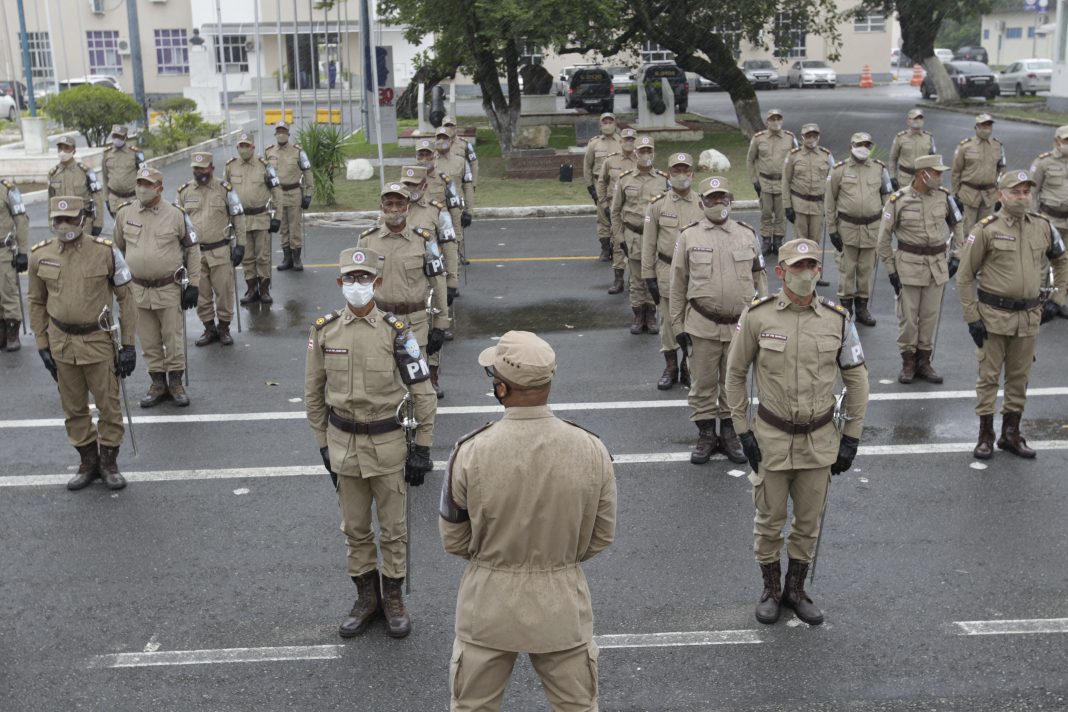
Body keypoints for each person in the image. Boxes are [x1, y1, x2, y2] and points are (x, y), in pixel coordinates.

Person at [440, 330, 616, 712]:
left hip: (487, 606)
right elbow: (601, 535)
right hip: (561, 605)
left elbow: (453, 540)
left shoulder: (469, 452)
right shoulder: (591, 448)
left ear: (502, 389)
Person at [725, 238, 870, 627]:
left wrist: (852, 436)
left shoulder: (837, 319)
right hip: (770, 437)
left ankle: (796, 588)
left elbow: (857, 380)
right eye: (797, 266)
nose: (805, 273)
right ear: (780, 272)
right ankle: (771, 589)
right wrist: (743, 431)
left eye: (811, 266)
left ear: (819, 271)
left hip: (819, 440)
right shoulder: (758, 316)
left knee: (808, 523)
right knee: (769, 521)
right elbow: (735, 375)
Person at [304, 247, 436, 639]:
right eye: (350, 278)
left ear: (376, 283)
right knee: (355, 528)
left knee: (394, 529)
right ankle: (367, 598)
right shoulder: (324, 330)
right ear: (340, 282)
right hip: (343, 443)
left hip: (388, 444)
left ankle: (393, 597)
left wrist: (423, 446)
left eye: (364, 278)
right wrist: (323, 445)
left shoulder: (397, 332)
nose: (357, 285)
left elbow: (422, 391)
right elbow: (313, 393)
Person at [956, 170, 1068, 460]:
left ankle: (1011, 434)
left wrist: (1057, 299)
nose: (1022, 197)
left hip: (1029, 317)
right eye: (1015, 192)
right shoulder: (985, 229)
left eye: (1026, 192)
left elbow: (1061, 259)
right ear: (1001, 195)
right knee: (988, 378)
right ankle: (985, 435)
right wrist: (972, 318)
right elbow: (965, 276)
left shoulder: (1043, 227)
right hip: (993, 316)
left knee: (1019, 378)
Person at [28, 196, 137, 490]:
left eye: (69, 219)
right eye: (57, 220)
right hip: (61, 343)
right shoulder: (40, 255)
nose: (63, 225)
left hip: (98, 341)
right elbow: (36, 302)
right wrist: (42, 344)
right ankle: (87, 462)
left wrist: (128, 345)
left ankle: (109, 462)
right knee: (74, 408)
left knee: (108, 405)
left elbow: (127, 298)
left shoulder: (106, 252)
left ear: (83, 219)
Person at [670, 177, 768, 465]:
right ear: (702, 202)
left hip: (740, 326)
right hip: (702, 324)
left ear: (731, 201)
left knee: (733, 382)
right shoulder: (689, 236)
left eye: (722, 197)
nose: (717, 203)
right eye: (711, 198)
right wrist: (677, 326)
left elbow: (759, 279)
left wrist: (764, 322)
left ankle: (728, 433)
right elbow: (677, 284)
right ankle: (705, 435)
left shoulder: (747, 234)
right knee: (702, 383)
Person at [112, 167, 201, 408]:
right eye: (139, 183)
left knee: (172, 339)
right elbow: (117, 250)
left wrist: (194, 284)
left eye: (148, 184)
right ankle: (157, 383)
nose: (142, 188)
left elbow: (192, 249)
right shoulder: (124, 214)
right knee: (148, 341)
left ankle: (175, 383)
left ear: (160, 188)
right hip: (138, 290)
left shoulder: (176, 215)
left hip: (168, 287)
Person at [357, 181, 449, 405]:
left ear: (409, 206)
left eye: (400, 203)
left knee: (419, 389)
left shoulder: (425, 240)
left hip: (414, 325)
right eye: (389, 203)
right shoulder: (367, 240)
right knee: (382, 386)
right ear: (381, 206)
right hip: (379, 324)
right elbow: (358, 285)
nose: (395, 208)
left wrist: (440, 324)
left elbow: (438, 283)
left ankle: (420, 437)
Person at [876, 154, 963, 384]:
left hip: (936, 266)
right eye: (935, 172)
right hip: (908, 266)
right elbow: (883, 239)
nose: (939, 176)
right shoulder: (898, 200)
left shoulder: (944, 197)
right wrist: (891, 270)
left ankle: (924, 362)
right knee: (908, 319)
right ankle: (908, 362)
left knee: (929, 317)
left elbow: (958, 223)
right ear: (921, 174)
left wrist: (957, 255)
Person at [642, 152, 703, 390]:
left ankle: (688, 366)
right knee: (669, 322)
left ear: (692, 174)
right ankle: (670, 366)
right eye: (676, 171)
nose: (681, 175)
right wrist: (649, 277)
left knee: (693, 320)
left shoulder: (703, 203)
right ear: (668, 174)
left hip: (696, 272)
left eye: (685, 170)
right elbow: (648, 245)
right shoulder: (657, 205)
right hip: (666, 269)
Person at [177, 152, 246, 347]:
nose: (199, 172)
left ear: (212, 168)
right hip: (195, 254)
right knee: (201, 294)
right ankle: (209, 328)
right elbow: (178, 224)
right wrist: (179, 253)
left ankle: (224, 328)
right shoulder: (184, 192)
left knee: (224, 292)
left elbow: (238, 217)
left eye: (203, 168)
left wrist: (241, 245)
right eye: (196, 169)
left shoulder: (225, 190)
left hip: (220, 250)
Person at [825, 132, 893, 326]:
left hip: (872, 228)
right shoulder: (838, 170)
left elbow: (888, 199)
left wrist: (886, 228)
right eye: (859, 144)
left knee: (866, 270)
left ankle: (862, 308)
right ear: (851, 146)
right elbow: (829, 202)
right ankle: (845, 309)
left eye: (867, 144)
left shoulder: (880, 169)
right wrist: (832, 230)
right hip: (847, 228)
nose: (863, 147)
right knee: (847, 270)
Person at [611, 135, 667, 334]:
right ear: (635, 154)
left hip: (655, 238)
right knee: (636, 279)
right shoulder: (625, 179)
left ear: (654, 153)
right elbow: (615, 211)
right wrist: (619, 239)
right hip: (632, 236)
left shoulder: (663, 180)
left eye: (648, 151)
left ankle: (651, 315)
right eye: (641, 151)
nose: (645, 155)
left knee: (652, 277)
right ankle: (638, 315)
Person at [225, 132, 283, 305]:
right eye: (240, 146)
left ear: (253, 147)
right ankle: (251, 289)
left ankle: (264, 289)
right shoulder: (231, 166)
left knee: (262, 256)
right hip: (241, 219)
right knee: (247, 257)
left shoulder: (265, 166)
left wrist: (277, 217)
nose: (243, 149)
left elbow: (277, 191)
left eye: (246, 146)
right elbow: (225, 193)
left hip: (260, 217)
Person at [1028, 124, 1068, 318]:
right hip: (1048, 219)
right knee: (1042, 261)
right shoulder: (1044, 162)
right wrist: (1034, 218)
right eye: (1066, 140)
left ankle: (1060, 300)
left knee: (1064, 262)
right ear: (1057, 141)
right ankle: (1038, 299)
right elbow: (1032, 191)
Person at [265, 121, 315, 272]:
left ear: (288, 134)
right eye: (278, 131)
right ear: (275, 134)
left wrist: (308, 194)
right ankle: (286, 258)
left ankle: (296, 258)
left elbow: (307, 173)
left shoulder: (298, 151)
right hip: (278, 194)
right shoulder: (269, 152)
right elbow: (266, 175)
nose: (281, 134)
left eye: (284, 131)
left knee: (295, 226)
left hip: (294, 193)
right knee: (283, 227)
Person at [747, 108, 797, 254]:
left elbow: (796, 159)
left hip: (783, 182)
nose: (775, 122)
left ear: (781, 120)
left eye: (778, 119)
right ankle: (766, 241)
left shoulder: (790, 138)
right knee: (766, 213)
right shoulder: (758, 138)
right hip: (765, 182)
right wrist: (754, 179)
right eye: (772, 119)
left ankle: (778, 240)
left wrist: (793, 181)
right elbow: (750, 160)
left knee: (781, 214)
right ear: (767, 121)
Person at [952, 114, 1006, 238]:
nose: (987, 128)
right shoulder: (965, 146)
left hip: (989, 195)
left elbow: (1002, 169)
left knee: (987, 230)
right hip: (968, 194)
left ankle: (983, 256)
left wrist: (1000, 193)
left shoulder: (998, 146)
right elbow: (956, 171)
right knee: (967, 230)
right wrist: (956, 194)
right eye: (983, 125)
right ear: (976, 127)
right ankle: (964, 255)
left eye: (989, 125)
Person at [598, 127, 638, 292]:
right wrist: (604, 204)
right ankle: (618, 280)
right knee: (617, 244)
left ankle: (635, 280)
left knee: (636, 245)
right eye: (625, 139)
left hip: (634, 210)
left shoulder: (641, 161)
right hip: (616, 210)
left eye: (632, 140)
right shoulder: (610, 161)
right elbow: (602, 182)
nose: (628, 142)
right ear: (620, 142)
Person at [782, 123, 834, 243]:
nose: (811, 139)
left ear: (818, 137)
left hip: (818, 206)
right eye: (808, 136)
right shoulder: (793, 155)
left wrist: (830, 206)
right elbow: (785, 181)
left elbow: (832, 183)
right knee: (800, 241)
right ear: (803, 137)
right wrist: (787, 206)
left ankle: (813, 262)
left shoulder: (826, 155)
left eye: (814, 136)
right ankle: (800, 262)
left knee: (815, 240)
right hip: (799, 204)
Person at [47, 135, 105, 238]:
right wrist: (51, 222)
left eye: (66, 148)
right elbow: (50, 200)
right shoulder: (53, 174)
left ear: (74, 150)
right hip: (61, 224)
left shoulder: (85, 172)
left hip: (82, 222)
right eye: (60, 148)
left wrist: (98, 223)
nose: (62, 152)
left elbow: (98, 198)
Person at [584, 112, 622, 261]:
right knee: (603, 219)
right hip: (600, 187)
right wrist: (591, 189)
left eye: (610, 122)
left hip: (618, 185)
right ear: (600, 125)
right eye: (604, 122)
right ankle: (605, 249)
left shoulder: (621, 142)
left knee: (618, 218)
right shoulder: (594, 144)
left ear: (615, 124)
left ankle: (618, 247)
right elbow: (587, 166)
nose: (608, 125)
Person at [434, 127, 472, 263]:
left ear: (451, 141)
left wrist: (469, 210)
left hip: (456, 204)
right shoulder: (430, 162)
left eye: (445, 138)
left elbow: (467, 186)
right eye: (438, 138)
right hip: (437, 205)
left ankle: (458, 256)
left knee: (457, 232)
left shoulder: (461, 161)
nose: (441, 141)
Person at [0, 177, 29, 351]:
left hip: (4, 250)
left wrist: (23, 252)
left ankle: (12, 333)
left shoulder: (8, 189)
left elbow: (21, 220)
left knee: (8, 291)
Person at [100, 124, 145, 217]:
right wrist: (106, 198)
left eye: (120, 136)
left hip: (133, 198)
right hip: (115, 199)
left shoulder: (135, 153)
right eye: (115, 136)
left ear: (126, 137)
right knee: (118, 229)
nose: (117, 139)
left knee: (135, 228)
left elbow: (144, 176)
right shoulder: (107, 154)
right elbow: (105, 177)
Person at [888, 109, 935, 191]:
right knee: (905, 202)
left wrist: (933, 177)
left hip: (923, 178)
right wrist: (892, 177)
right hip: (904, 179)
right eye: (914, 118)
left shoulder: (929, 137)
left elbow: (933, 159)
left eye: (920, 118)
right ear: (908, 121)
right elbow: (893, 158)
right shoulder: (901, 137)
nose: (918, 121)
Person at [441, 114, 478, 214]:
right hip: (442, 185)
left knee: (459, 217)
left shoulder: (464, 144)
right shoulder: (437, 144)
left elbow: (473, 163)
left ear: (456, 127)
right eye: (446, 126)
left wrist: (473, 183)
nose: (449, 128)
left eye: (451, 125)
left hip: (459, 182)